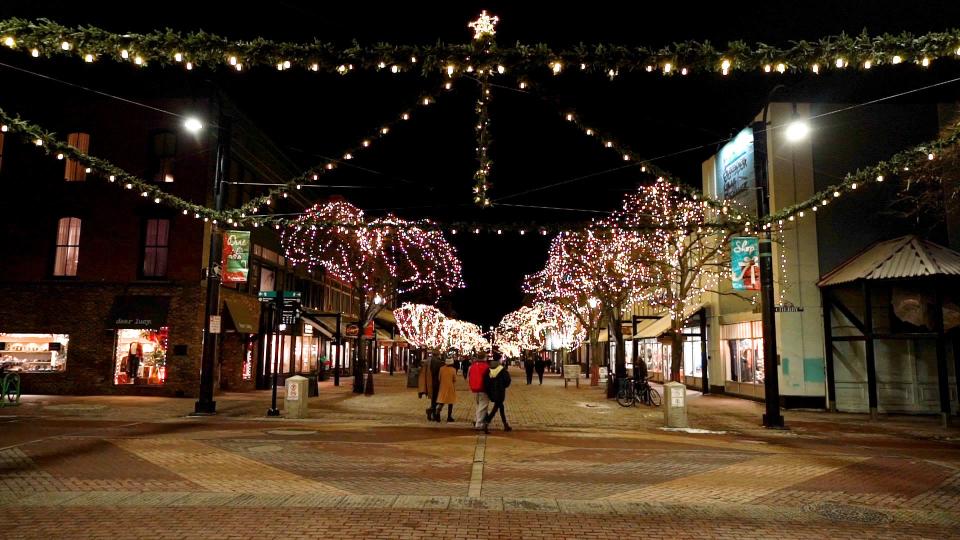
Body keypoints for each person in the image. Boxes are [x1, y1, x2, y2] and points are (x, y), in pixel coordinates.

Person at [482, 352, 512, 433]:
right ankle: (486, 422)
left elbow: (485, 381)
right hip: (500, 391)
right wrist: (503, 386)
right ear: (499, 360)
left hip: (492, 392)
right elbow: (507, 380)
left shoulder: (489, 369)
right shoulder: (502, 369)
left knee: (500, 407)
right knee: (496, 408)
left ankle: (505, 424)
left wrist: (489, 390)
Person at [468, 353, 490, 429]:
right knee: (483, 405)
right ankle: (479, 423)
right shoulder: (486, 367)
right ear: (485, 358)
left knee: (478, 405)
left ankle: (477, 419)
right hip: (483, 388)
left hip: (474, 388)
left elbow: (469, 376)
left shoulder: (472, 366)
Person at [436, 353, 458, 422]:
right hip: (450, 387)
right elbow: (455, 379)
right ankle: (449, 416)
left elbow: (439, 378)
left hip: (442, 387)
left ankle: (437, 415)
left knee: (441, 402)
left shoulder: (441, 369)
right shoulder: (453, 370)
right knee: (450, 403)